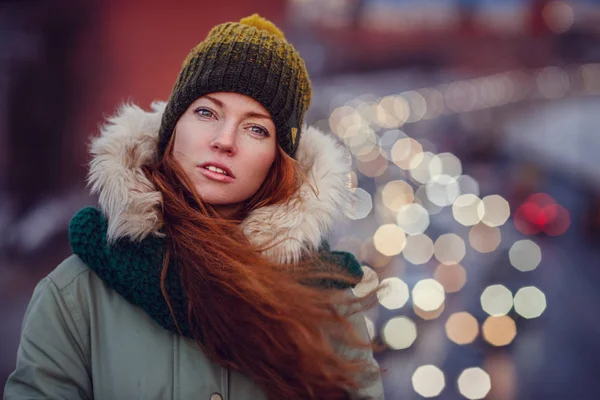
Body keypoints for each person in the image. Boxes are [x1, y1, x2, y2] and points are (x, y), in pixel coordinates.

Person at [4, 14, 384, 400]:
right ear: (172, 127)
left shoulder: (325, 302)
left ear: (278, 159)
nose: (224, 140)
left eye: (256, 128)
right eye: (206, 112)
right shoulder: (76, 295)